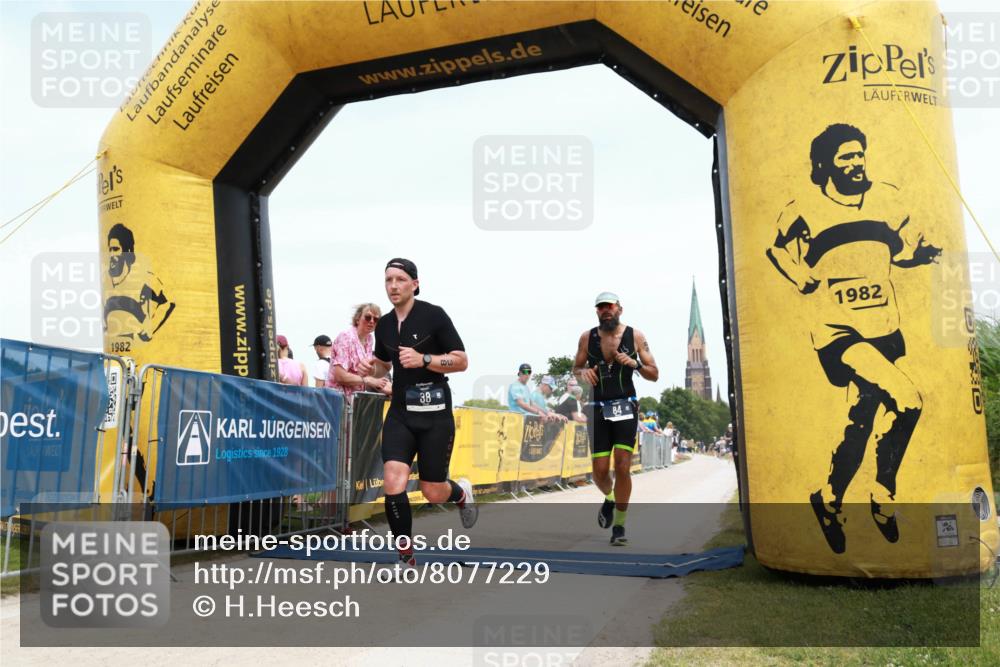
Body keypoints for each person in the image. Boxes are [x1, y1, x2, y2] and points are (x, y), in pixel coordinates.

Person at [766, 123, 939, 554]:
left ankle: (828, 500)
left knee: (860, 424)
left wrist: (918, 256)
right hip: (838, 332)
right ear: (825, 164)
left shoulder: (887, 198)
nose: (856, 162)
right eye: (846, 156)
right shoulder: (804, 206)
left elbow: (897, 253)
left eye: (860, 154)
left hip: (885, 327)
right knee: (909, 398)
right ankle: (883, 495)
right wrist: (799, 274)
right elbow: (777, 248)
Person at [363, 258, 477, 566]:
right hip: (401, 413)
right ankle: (405, 558)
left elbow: (461, 360)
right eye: (388, 280)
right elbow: (384, 363)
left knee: (432, 492)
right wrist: (370, 368)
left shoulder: (434, 316)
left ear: (414, 283)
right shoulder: (385, 324)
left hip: (435, 415)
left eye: (400, 279)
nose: (393, 286)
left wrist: (424, 359)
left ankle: (461, 493)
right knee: (393, 480)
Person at [573, 291, 659, 546]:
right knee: (599, 471)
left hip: (625, 406)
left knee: (622, 465)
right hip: (597, 407)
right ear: (596, 312)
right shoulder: (587, 338)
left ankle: (619, 526)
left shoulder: (636, 336)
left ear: (619, 309)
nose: (605, 311)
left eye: (609, 306)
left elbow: (654, 373)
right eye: (600, 308)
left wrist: (635, 364)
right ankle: (610, 499)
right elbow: (576, 367)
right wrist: (583, 372)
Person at [103, 222, 175, 346]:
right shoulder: (106, 282)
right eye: (109, 249)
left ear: (128, 252)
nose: (111, 255)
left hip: (142, 357)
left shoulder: (143, 278)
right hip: (115, 358)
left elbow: (168, 302)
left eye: (116, 249)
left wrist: (149, 328)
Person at [328, 303, 391, 402]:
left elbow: (367, 375)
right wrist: (368, 380)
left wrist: (382, 385)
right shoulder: (346, 337)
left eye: (376, 319)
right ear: (357, 319)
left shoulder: (369, 340)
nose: (371, 321)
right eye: (368, 317)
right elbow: (339, 376)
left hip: (354, 401)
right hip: (337, 401)